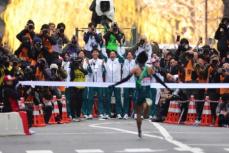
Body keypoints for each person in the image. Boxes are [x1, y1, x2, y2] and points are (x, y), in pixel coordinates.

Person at [109, 51, 171, 138]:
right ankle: (146, 106)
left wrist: (115, 84)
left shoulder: (135, 69)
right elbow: (158, 79)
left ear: (138, 59)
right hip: (147, 92)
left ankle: (139, 130)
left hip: (138, 93)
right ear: (146, 60)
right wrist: (166, 86)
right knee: (145, 113)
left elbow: (125, 79)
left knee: (138, 114)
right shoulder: (149, 69)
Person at [87, 48, 105, 119]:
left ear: (98, 53)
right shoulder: (89, 61)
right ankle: (89, 113)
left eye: (96, 52)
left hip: (99, 82)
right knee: (90, 98)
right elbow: (88, 72)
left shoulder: (101, 61)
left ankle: (101, 113)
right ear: (92, 54)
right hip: (91, 82)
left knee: (100, 98)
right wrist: (88, 65)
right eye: (93, 52)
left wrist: (103, 65)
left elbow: (104, 71)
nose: (95, 53)